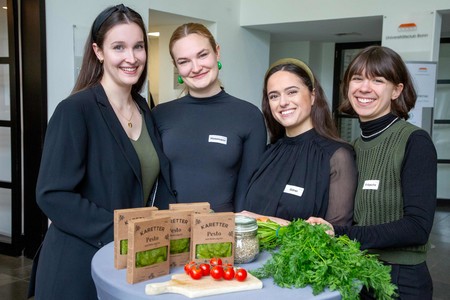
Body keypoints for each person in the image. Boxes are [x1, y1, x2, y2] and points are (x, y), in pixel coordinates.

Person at [28, 5, 174, 300]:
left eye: (138, 47)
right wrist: (123, 233)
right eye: (118, 47)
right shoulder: (75, 110)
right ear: (98, 51)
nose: (131, 58)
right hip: (76, 265)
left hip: (125, 262)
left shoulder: (144, 110)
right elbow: (52, 194)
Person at [307, 45, 437, 299]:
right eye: (357, 78)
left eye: (377, 80)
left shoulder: (414, 141)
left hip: (402, 280)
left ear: (396, 90)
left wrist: (340, 234)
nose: (364, 88)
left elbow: (417, 227)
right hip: (360, 272)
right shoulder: (354, 147)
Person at [152, 23, 267, 212]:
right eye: (184, 61)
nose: (196, 67)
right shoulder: (160, 115)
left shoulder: (248, 116)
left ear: (217, 52)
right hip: (167, 230)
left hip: (219, 232)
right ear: (176, 67)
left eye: (202, 55)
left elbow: (248, 189)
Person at [243, 58, 357, 225]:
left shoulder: (337, 156)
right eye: (274, 96)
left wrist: (262, 221)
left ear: (312, 95)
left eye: (292, 92)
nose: (283, 102)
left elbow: (335, 233)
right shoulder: (268, 153)